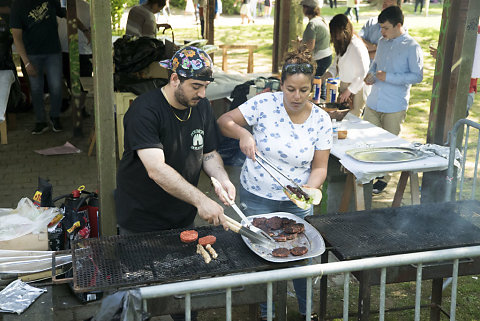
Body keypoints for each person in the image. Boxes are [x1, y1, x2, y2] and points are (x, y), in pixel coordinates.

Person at [217, 46, 332, 321]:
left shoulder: (321, 120)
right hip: (256, 195)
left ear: (312, 88)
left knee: (300, 258)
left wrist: (309, 190)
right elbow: (224, 121)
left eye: (304, 90)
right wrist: (243, 133)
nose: (296, 96)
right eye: (291, 89)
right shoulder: (264, 104)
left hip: (296, 203)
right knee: (263, 255)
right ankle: (266, 313)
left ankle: (308, 313)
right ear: (282, 85)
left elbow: (320, 167)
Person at [116, 46, 234, 236]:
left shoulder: (201, 106)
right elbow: (156, 169)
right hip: (142, 219)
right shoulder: (144, 111)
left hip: (183, 214)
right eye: (196, 86)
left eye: (205, 86)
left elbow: (209, 154)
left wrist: (222, 179)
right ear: (174, 79)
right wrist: (201, 200)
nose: (203, 94)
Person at [363, 6, 423, 193]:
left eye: (386, 28)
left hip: (394, 105)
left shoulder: (412, 47)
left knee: (389, 145)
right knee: (368, 141)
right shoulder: (382, 42)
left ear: (398, 25)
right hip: (373, 102)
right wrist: (370, 75)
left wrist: (388, 77)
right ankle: (368, 174)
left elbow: (417, 76)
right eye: (381, 27)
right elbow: (375, 65)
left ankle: (384, 177)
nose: (382, 32)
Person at [10, 0, 66, 134]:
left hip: (53, 51)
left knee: (57, 86)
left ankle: (55, 117)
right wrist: (26, 62)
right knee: (36, 89)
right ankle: (41, 121)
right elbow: (16, 37)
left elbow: (65, 13)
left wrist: (84, 28)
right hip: (32, 54)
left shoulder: (52, 1)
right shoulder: (18, 5)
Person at [324, 14, 370, 117]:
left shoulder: (356, 46)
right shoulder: (342, 44)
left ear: (344, 30)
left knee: (353, 118)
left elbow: (362, 73)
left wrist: (348, 91)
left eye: (336, 33)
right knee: (343, 117)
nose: (335, 36)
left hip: (357, 88)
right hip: (345, 85)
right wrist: (324, 77)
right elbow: (335, 66)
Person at [57, 0, 92, 118]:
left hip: (76, 49)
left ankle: (78, 106)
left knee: (76, 81)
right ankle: (78, 106)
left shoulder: (63, 7)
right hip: (76, 49)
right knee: (80, 82)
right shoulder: (61, 6)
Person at [300, 0, 331, 101]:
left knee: (316, 85)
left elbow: (310, 46)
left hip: (319, 58)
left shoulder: (312, 24)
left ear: (306, 8)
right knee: (320, 84)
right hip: (326, 56)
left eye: (303, 7)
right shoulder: (321, 20)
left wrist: (299, 48)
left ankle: (319, 105)